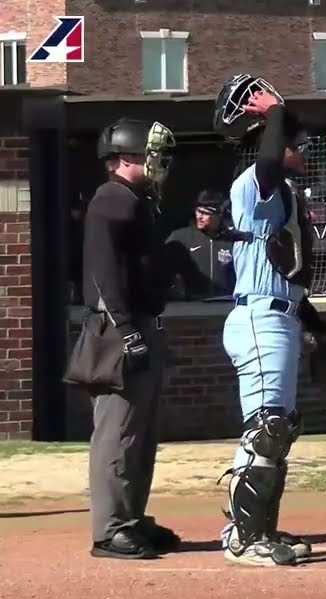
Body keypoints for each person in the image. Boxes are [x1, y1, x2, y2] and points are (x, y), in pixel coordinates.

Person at [211, 73, 326, 567]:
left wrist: (321, 329)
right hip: (259, 317)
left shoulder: (282, 195)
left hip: (280, 315)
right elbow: (270, 161)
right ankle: (245, 537)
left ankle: (255, 529)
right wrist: (274, 113)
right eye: (292, 139)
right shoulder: (254, 183)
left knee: (277, 429)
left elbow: (289, 279)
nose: (302, 147)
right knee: (268, 428)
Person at [82, 117, 178, 560]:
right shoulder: (111, 198)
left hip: (138, 322)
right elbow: (104, 272)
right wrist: (126, 330)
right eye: (150, 155)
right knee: (117, 431)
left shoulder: (136, 200)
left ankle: (131, 517)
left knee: (141, 432)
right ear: (125, 157)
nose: (159, 163)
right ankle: (110, 529)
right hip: (118, 327)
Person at [161, 190, 235, 300]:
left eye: (205, 213)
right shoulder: (180, 238)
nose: (199, 216)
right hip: (191, 304)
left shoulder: (233, 241)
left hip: (224, 303)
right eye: (198, 211)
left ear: (219, 215)